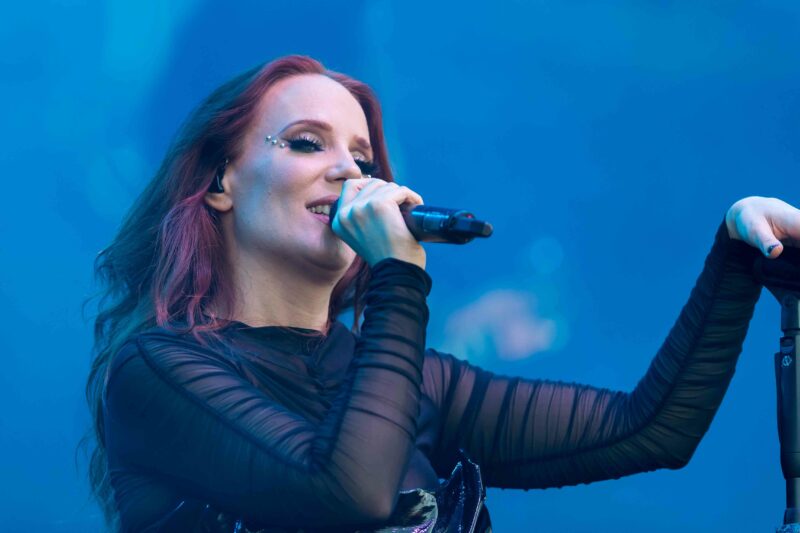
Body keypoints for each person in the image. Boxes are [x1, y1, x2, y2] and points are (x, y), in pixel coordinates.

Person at [84, 54, 800, 533]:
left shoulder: (408, 381)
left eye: (362, 157)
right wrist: (400, 278)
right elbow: (349, 493)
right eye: (305, 142)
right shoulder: (159, 373)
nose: (349, 173)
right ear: (220, 181)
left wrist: (740, 252)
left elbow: (652, 429)